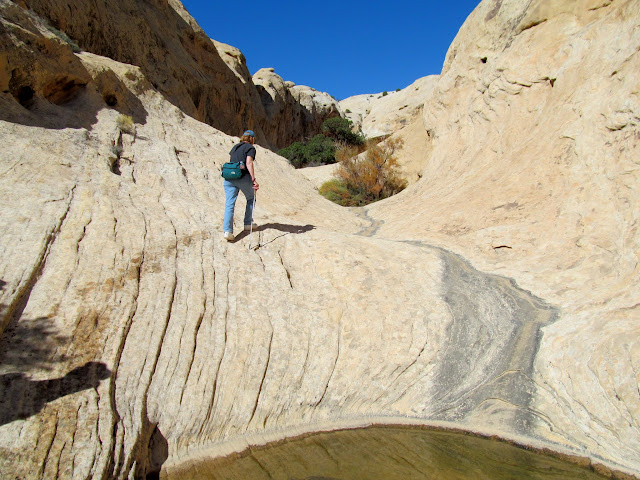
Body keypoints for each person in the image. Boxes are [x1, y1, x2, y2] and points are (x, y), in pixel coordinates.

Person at [223, 130, 260, 241]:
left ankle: (227, 231)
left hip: (229, 177)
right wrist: (253, 179)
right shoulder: (250, 148)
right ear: (252, 139)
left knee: (229, 203)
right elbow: (249, 162)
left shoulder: (235, 147)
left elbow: (232, 161)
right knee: (251, 198)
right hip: (242, 177)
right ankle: (248, 223)